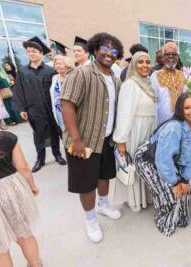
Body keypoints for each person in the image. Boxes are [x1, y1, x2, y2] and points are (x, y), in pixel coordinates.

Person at [60, 32, 124, 243]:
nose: (109, 54)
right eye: (104, 49)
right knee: (86, 184)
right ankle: (90, 219)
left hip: (106, 139)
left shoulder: (114, 79)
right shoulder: (82, 73)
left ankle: (103, 205)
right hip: (85, 141)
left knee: (104, 176)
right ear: (95, 50)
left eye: (114, 51)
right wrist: (76, 139)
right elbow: (67, 104)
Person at [134, 92, 191, 236]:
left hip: (169, 159)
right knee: (172, 196)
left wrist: (184, 180)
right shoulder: (174, 128)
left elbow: (190, 156)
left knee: (183, 196)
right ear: (180, 110)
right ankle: (163, 217)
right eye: (187, 108)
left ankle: (176, 207)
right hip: (149, 160)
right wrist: (175, 182)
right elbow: (162, 160)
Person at [0, 116, 41, 267]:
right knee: (24, 234)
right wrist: (32, 186)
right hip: (9, 193)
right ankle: (35, 264)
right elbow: (23, 167)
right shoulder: (7, 138)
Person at [12, 36, 66, 173]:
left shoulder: (50, 71)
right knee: (38, 134)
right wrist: (21, 108)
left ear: (41, 53)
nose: (31, 53)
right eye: (28, 51)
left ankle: (57, 155)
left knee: (54, 132)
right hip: (33, 109)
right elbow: (18, 90)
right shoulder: (23, 71)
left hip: (50, 108)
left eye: (34, 51)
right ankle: (40, 159)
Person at [113, 51, 157, 212]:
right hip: (135, 131)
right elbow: (124, 113)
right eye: (140, 62)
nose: (145, 65)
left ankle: (146, 197)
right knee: (135, 166)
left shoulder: (147, 83)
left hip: (149, 130)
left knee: (147, 165)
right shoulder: (130, 84)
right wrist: (121, 140)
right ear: (133, 65)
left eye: (147, 61)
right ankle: (135, 200)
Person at [151, 42, 187, 124]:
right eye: (167, 54)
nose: (171, 56)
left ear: (177, 57)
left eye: (174, 54)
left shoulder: (182, 74)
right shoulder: (155, 75)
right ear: (163, 57)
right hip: (162, 122)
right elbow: (153, 101)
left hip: (182, 120)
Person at [49, 55, 74, 130]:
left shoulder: (73, 76)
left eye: (60, 64)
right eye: (56, 64)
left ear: (67, 64)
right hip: (59, 114)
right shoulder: (55, 78)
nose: (57, 66)